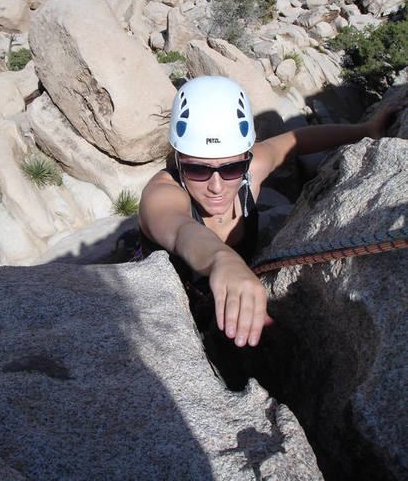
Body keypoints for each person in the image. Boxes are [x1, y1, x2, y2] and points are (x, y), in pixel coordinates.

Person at [139, 75, 399, 349]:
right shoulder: (161, 196)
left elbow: (296, 141)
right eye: (197, 169)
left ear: (246, 158)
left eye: (231, 169)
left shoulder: (252, 169)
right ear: (179, 161)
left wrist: (366, 130)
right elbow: (182, 230)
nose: (216, 187)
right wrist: (222, 259)